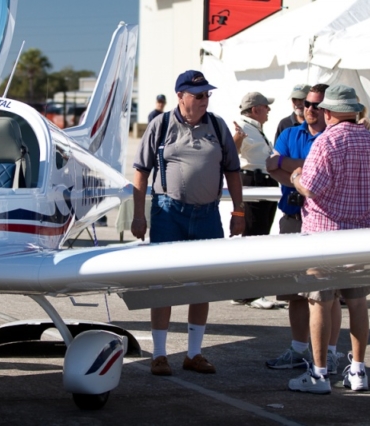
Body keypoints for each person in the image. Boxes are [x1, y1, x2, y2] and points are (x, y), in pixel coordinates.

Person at [131, 70, 245, 376]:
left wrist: (238, 212)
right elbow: (141, 172)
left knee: (202, 285)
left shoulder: (218, 126)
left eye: (207, 94)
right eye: (199, 95)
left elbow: (233, 171)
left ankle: (193, 353)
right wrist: (138, 215)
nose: (205, 100)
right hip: (168, 213)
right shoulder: (161, 124)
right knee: (163, 283)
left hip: (207, 215)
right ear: (181, 96)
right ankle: (158, 354)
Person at [289, 84, 370, 394]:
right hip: (360, 236)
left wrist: (296, 178)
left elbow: (312, 187)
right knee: (358, 303)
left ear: (328, 112)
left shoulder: (325, 143)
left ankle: (320, 375)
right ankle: (358, 370)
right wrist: (367, 217)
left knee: (319, 302)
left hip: (324, 236)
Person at [265, 84, 343, 375]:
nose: (308, 109)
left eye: (314, 105)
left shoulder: (333, 138)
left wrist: (291, 167)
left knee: (328, 293)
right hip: (292, 218)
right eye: (305, 104)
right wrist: (300, 175)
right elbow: (271, 165)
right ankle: (298, 350)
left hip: (324, 223)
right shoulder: (288, 133)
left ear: (327, 109)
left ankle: (330, 354)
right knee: (295, 292)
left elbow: (305, 170)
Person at [229, 92, 279, 309]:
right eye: (266, 106)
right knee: (253, 236)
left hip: (265, 180)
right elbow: (232, 152)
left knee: (260, 235)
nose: (269, 110)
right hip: (254, 179)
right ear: (256, 109)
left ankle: (247, 292)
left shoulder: (254, 127)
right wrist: (237, 139)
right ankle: (249, 292)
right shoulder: (243, 127)